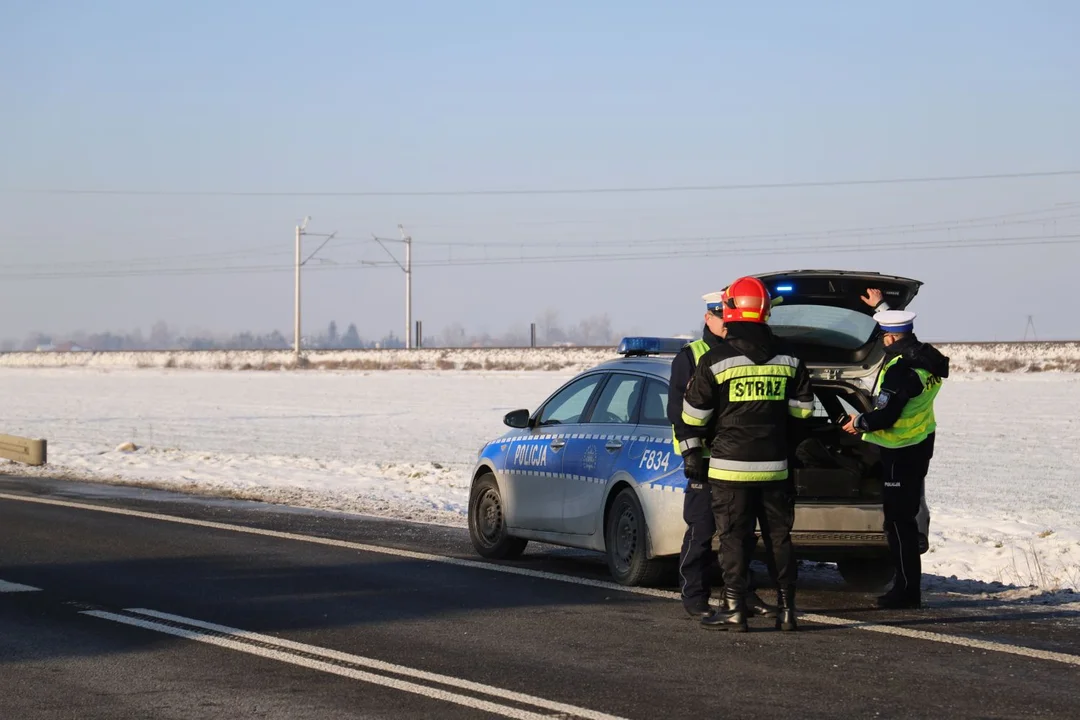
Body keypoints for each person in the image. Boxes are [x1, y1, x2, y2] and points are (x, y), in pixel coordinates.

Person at [677, 276, 815, 632]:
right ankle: (787, 610)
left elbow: (692, 418)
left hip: (728, 469)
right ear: (766, 312)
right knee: (779, 539)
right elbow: (803, 414)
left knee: (734, 539)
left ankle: (736, 610)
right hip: (775, 468)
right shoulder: (791, 359)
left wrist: (693, 454)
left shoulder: (714, 360)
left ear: (729, 310)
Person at [669, 292, 776, 620]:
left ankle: (744, 594)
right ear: (708, 318)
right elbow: (679, 412)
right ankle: (694, 595)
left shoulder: (746, 354)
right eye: (720, 316)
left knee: (741, 533)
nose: (726, 322)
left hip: (739, 460)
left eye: (729, 315)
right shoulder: (691, 356)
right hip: (704, 459)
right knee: (702, 531)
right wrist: (692, 455)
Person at [841, 310, 949, 609]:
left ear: (890, 338)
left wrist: (859, 423)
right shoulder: (929, 360)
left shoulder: (901, 371)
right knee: (907, 520)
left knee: (899, 525)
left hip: (900, 452)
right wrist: (883, 305)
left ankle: (906, 591)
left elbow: (887, 415)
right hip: (920, 445)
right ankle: (907, 588)